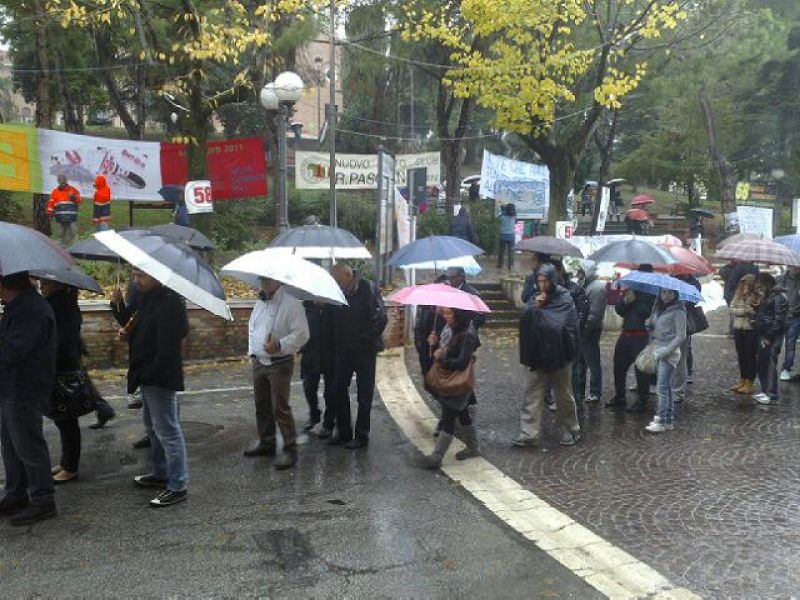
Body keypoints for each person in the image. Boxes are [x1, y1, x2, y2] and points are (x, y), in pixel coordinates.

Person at [125, 269, 190, 507]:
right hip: (146, 375)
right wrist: (117, 305)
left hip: (159, 377)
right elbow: (133, 324)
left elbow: (167, 348)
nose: (136, 280)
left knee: (168, 431)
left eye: (141, 275)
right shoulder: (149, 298)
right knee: (152, 428)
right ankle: (161, 472)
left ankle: (178, 485)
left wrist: (149, 373)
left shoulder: (170, 302)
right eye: (134, 275)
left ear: (158, 276)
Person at [0, 271, 58, 526]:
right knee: (11, 446)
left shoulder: (31, 310)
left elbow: (13, 351)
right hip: (9, 386)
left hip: (24, 388)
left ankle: (43, 500)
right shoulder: (17, 305)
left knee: (28, 446)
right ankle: (16, 494)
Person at [41, 280, 113, 484]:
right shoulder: (58, 303)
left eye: (47, 282)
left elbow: (62, 342)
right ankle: (66, 463)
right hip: (62, 368)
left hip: (63, 370)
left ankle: (70, 467)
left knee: (67, 420)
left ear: (60, 285)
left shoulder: (63, 307)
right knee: (63, 419)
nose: (41, 284)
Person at [244, 277, 309, 469]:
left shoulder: (291, 304)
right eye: (261, 279)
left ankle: (290, 450)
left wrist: (280, 344)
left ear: (278, 281)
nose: (263, 283)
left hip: (279, 363)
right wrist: (252, 352)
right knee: (261, 404)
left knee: (279, 407)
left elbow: (303, 334)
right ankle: (267, 442)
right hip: (259, 361)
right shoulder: (261, 301)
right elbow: (253, 327)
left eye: (267, 279)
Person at [514, 263, 581, 447]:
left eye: (545, 281)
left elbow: (563, 326)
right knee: (532, 394)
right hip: (538, 355)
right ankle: (528, 434)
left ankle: (571, 429)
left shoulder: (565, 299)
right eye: (539, 281)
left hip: (559, 356)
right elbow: (525, 321)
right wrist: (535, 308)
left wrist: (543, 314)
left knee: (564, 395)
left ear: (552, 280)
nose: (541, 285)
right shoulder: (534, 298)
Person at [329, 264, 387, 449]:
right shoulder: (338, 292)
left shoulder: (368, 288)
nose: (337, 285)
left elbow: (381, 318)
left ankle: (362, 435)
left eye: (338, 281)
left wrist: (363, 339)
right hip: (344, 350)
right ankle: (344, 431)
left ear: (348, 276)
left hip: (365, 350)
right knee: (338, 389)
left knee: (364, 394)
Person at [419, 307, 481, 468]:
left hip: (458, 382)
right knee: (463, 414)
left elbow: (461, 362)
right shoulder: (454, 329)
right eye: (445, 313)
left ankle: (436, 457)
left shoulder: (467, 334)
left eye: (449, 313)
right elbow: (450, 349)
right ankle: (473, 447)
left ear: (458, 315)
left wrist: (442, 358)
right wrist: (436, 344)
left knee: (448, 418)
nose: (445, 316)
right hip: (454, 382)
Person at [607, 280, 656, 411]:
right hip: (626, 333)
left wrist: (635, 300)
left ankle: (642, 399)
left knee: (641, 368)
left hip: (641, 336)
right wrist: (625, 301)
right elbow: (619, 310)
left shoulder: (651, 292)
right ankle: (620, 396)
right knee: (619, 366)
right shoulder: (629, 291)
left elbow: (647, 312)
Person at [645, 288, 686, 433]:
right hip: (658, 350)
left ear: (676, 294)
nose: (666, 296)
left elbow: (681, 336)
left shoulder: (679, 311)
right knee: (666, 387)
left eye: (670, 293)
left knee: (661, 388)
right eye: (663, 292)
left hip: (668, 353)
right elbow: (659, 329)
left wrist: (666, 351)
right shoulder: (660, 308)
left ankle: (662, 421)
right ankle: (668, 420)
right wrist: (651, 326)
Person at [554, 260, 589, 403]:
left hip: (570, 336)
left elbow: (582, 313)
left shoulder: (575, 289)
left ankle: (575, 398)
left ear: (560, 271)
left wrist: (571, 331)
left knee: (573, 369)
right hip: (554, 336)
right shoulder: (549, 290)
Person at [299, 300, 336, 436]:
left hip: (329, 356)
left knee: (330, 392)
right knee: (309, 388)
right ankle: (314, 415)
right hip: (310, 355)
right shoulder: (306, 309)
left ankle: (329, 422)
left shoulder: (334, 309)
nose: (319, 298)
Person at [752, 273, 788, 405]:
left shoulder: (780, 297)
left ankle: (771, 393)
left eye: (761, 286)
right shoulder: (769, 296)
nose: (759, 289)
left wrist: (768, 337)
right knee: (762, 363)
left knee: (770, 363)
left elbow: (778, 320)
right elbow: (767, 313)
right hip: (764, 333)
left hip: (772, 336)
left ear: (767, 284)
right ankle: (765, 390)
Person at [576, 260, 606, 403]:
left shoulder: (597, 288)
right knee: (580, 363)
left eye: (580, 270)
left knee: (592, 363)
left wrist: (583, 329)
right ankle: (580, 391)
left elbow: (594, 315)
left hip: (590, 332)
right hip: (582, 330)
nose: (577, 273)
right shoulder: (583, 285)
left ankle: (595, 392)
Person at [730, 274, 758, 394]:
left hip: (750, 329)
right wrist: (743, 311)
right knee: (741, 355)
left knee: (749, 356)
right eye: (743, 283)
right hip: (738, 328)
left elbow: (755, 310)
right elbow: (731, 308)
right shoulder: (738, 294)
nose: (744, 285)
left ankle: (749, 382)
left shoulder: (755, 296)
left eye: (747, 283)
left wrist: (748, 306)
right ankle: (742, 379)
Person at [47, 174, 81, 245]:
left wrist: (73, 198)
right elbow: (51, 204)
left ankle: (75, 248)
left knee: (74, 233)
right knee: (60, 235)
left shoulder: (73, 190)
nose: (61, 181)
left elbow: (79, 200)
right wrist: (50, 213)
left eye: (63, 180)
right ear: (58, 181)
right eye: (60, 180)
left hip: (71, 217)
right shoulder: (54, 192)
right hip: (60, 217)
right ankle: (61, 250)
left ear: (66, 180)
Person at [779, 266, 800, 381]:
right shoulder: (780, 279)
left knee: (790, 344)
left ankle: (786, 368)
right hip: (780, 316)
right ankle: (770, 369)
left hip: (796, 317)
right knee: (774, 345)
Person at [497, 203, 516, 270]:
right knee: (511, 251)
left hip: (503, 235)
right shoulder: (514, 216)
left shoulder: (502, 215)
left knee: (501, 251)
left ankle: (500, 265)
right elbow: (515, 222)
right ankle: (510, 265)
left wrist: (502, 210)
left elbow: (498, 218)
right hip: (511, 236)